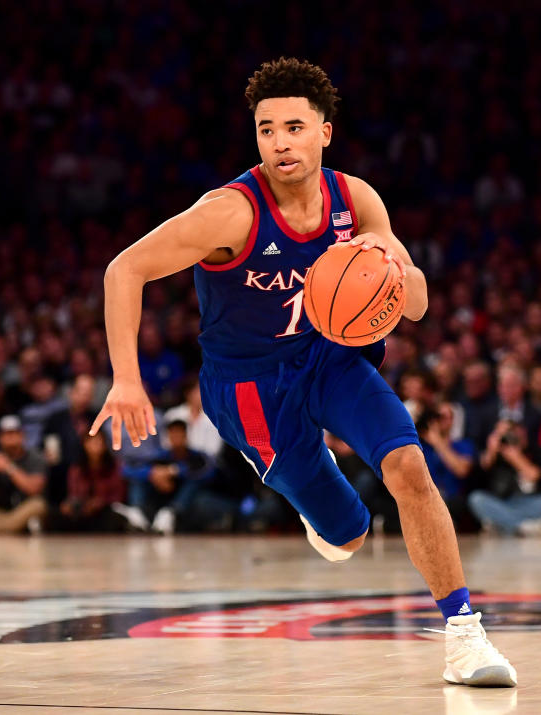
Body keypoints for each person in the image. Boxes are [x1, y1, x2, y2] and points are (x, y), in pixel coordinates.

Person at [89, 58, 516, 686]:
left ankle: (464, 636)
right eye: (266, 130)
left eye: (294, 126)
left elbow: (418, 305)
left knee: (409, 465)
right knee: (347, 534)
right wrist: (126, 378)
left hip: (330, 359)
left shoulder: (356, 200)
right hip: (250, 386)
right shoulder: (229, 213)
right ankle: (322, 502)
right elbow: (124, 269)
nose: (280, 142)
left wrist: (392, 270)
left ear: (325, 132)